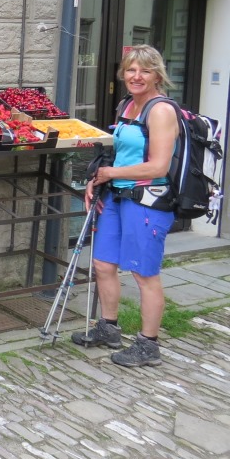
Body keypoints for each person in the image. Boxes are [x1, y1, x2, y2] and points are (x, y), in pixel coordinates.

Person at [72, 45, 179, 367]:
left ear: (157, 75)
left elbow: (158, 166)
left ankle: (148, 345)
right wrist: (97, 179)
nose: (136, 76)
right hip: (116, 197)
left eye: (145, 70)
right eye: (131, 70)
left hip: (147, 201)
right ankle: (109, 328)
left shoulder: (161, 111)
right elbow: (117, 155)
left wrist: (112, 174)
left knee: (143, 273)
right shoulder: (127, 105)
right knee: (103, 264)